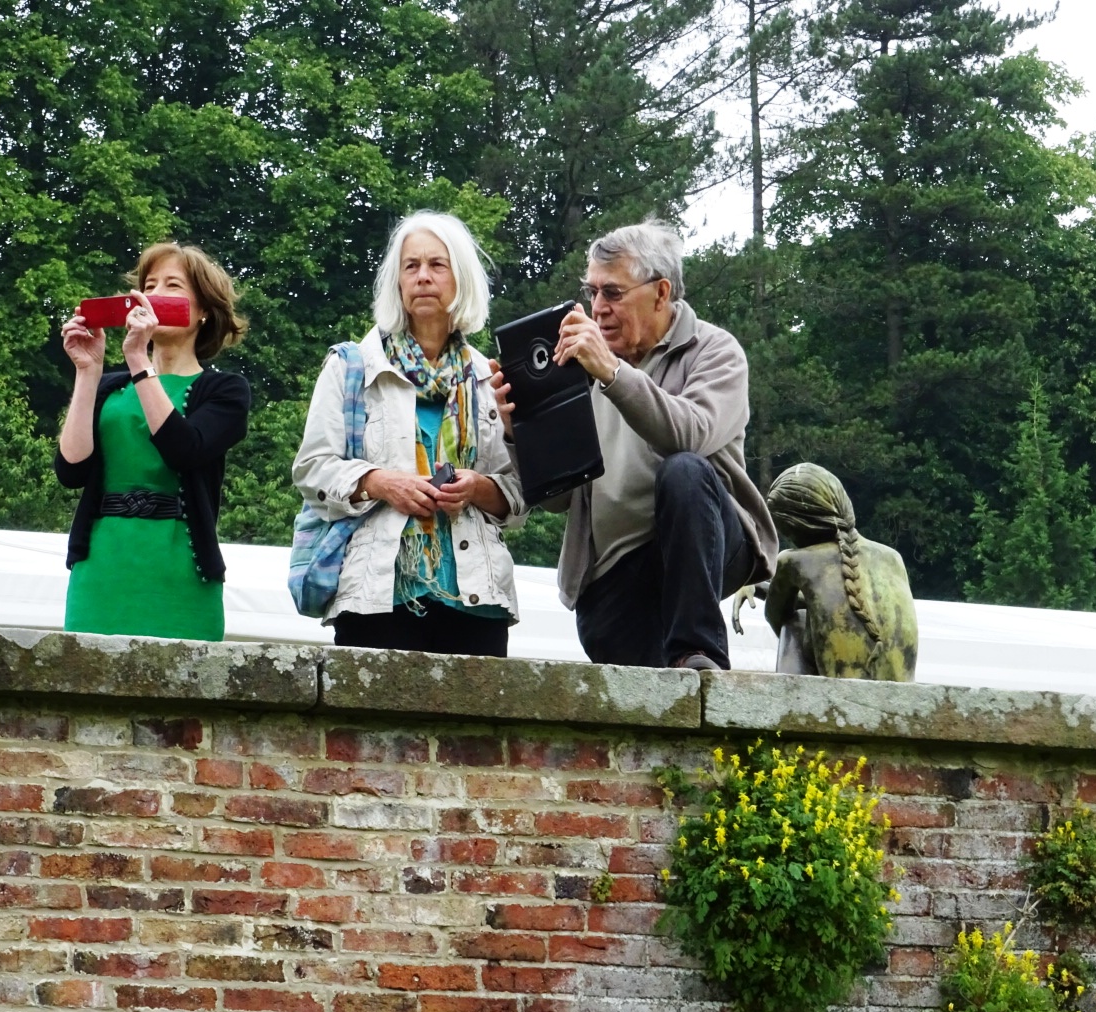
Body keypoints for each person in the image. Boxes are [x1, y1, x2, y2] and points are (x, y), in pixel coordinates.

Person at [493, 220, 776, 670]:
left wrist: (612, 373)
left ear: (661, 293)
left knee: (685, 470)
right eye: (592, 292)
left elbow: (690, 434)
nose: (597, 308)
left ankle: (701, 653)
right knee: (645, 707)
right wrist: (517, 431)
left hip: (709, 551)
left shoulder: (714, 351)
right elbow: (558, 497)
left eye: (613, 293)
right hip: (613, 582)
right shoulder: (581, 364)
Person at [292, 211, 525, 656]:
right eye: (411, 266)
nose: (423, 277)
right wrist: (379, 482)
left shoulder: (491, 377)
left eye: (437, 265)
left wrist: (477, 488)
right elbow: (311, 468)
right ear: (397, 282)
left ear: (461, 278)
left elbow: (520, 496)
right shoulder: (351, 367)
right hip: (377, 596)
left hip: (478, 599)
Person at [56, 242, 251, 640]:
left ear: (202, 311)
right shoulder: (111, 387)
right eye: (148, 285)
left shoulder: (225, 390)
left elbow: (184, 450)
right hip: (102, 569)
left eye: (172, 285)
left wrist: (138, 360)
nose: (153, 295)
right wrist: (88, 372)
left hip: (180, 570)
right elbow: (71, 471)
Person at [763, 463, 918, 680]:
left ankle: (790, 695)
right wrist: (759, 588)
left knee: (795, 621)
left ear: (795, 525)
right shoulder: (893, 558)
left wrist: (752, 585)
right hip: (900, 691)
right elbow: (840, 603)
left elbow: (776, 616)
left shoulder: (794, 561)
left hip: (838, 693)